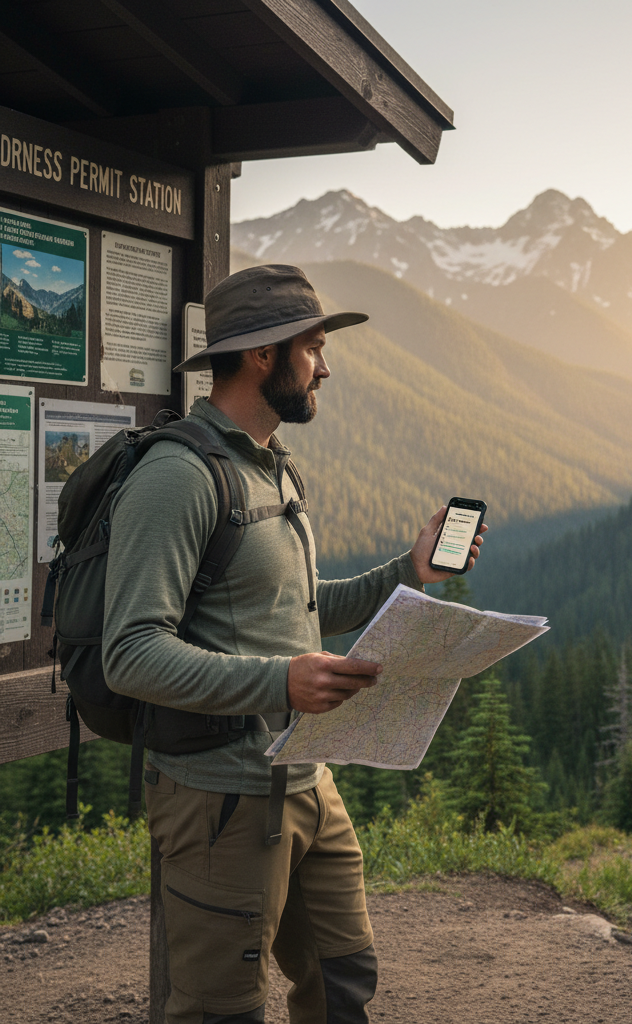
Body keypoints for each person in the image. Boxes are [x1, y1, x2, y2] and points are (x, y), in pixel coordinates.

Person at [102, 264, 484, 1024]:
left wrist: (407, 572)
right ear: (262, 356)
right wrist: (282, 683)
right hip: (219, 797)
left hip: (307, 780)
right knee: (221, 1010)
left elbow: (301, 615)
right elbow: (131, 652)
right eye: (312, 347)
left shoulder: (274, 470)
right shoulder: (178, 477)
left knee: (344, 978)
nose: (326, 366)